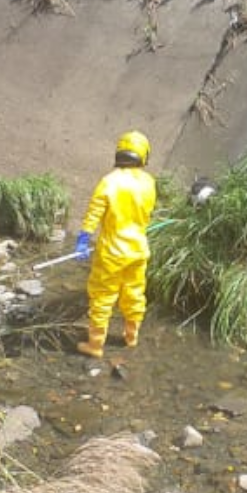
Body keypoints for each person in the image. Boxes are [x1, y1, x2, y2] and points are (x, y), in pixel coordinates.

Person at [74, 130, 157, 358]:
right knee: (134, 293)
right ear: (143, 156)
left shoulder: (110, 182)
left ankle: (95, 346)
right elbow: (146, 214)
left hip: (111, 252)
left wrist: (83, 239)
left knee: (102, 296)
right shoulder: (149, 182)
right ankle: (131, 337)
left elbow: (94, 214)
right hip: (138, 249)